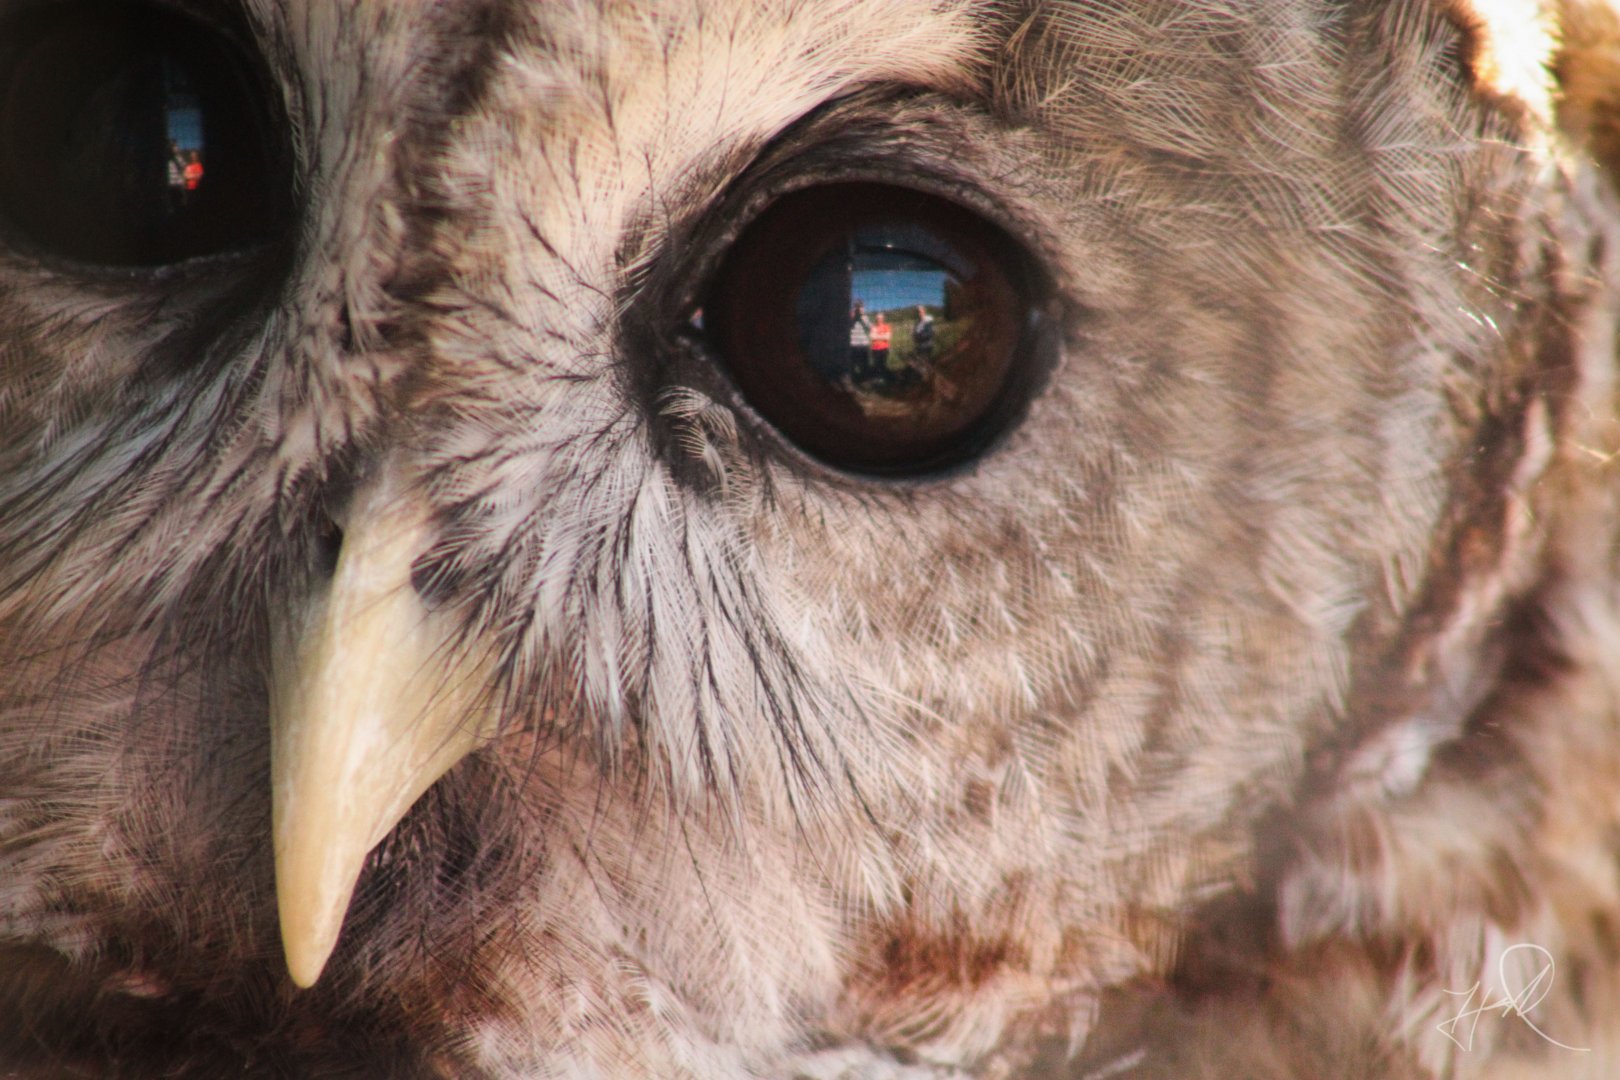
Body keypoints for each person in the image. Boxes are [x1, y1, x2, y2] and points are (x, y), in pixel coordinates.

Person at [848, 300, 872, 381]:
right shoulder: (850, 317)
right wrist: (853, 317)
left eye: (861, 307)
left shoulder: (865, 317)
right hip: (853, 345)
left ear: (863, 308)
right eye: (857, 307)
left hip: (864, 345)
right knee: (852, 365)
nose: (859, 309)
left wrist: (862, 318)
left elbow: (870, 328)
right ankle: (854, 380)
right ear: (854, 308)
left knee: (864, 364)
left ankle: (865, 380)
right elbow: (847, 328)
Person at [912, 305, 936, 373]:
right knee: (921, 363)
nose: (919, 313)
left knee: (927, 362)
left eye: (920, 311)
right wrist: (915, 336)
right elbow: (914, 334)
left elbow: (930, 333)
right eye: (918, 312)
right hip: (919, 345)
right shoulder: (917, 323)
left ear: (924, 311)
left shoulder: (928, 320)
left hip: (927, 344)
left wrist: (918, 336)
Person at [870, 312, 892, 378]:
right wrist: (882, 335)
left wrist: (877, 335)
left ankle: (883, 378)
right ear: (876, 319)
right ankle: (878, 378)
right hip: (875, 349)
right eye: (878, 318)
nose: (879, 319)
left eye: (881, 318)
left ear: (883, 319)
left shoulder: (886, 326)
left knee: (883, 364)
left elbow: (888, 337)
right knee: (876, 365)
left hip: (884, 348)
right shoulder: (873, 327)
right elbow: (872, 337)